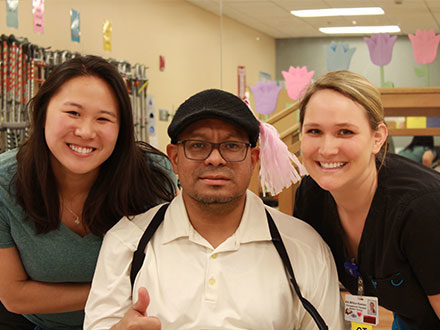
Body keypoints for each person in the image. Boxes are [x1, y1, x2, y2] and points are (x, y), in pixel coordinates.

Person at [84, 89, 345, 329]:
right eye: (198, 145)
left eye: (231, 146)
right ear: (174, 158)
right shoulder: (127, 242)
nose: (215, 158)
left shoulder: (303, 246)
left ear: (253, 160)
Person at [0, 55, 176, 330]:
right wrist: (109, 291)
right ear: (43, 112)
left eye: (104, 118)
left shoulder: (151, 177)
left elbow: (170, 271)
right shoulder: (5, 182)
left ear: (122, 128)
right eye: (73, 113)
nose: (85, 131)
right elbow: (14, 296)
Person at [293, 70, 440, 330]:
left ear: (378, 138)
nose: (327, 149)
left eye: (345, 132)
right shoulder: (311, 195)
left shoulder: (422, 209)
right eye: (314, 130)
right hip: (409, 315)